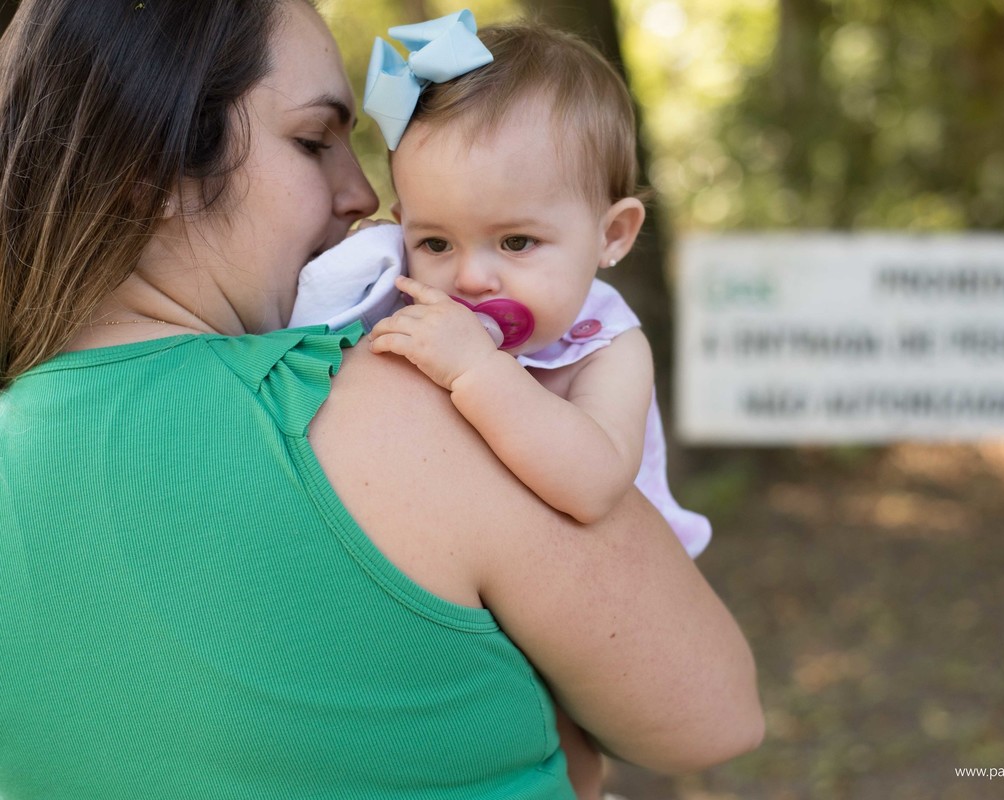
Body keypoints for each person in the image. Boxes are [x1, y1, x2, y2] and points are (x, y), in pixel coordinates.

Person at [0, 2, 763, 799]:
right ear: (147, 171)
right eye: (312, 141)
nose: (365, 197)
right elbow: (713, 717)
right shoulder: (412, 401)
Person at [289, 14, 712, 560]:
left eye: (516, 243)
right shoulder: (415, 302)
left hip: (617, 581)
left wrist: (476, 372)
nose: (469, 279)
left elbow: (594, 486)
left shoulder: (607, 346)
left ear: (611, 234)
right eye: (436, 244)